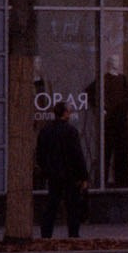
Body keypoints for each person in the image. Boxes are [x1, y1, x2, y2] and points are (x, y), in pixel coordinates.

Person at [36, 101, 91, 239]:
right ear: (65, 113)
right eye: (69, 111)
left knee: (52, 206)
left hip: (54, 175)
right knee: (72, 206)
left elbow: (40, 154)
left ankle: (46, 234)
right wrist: (84, 176)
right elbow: (77, 154)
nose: (70, 113)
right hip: (70, 175)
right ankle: (73, 234)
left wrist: (45, 170)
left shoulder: (46, 130)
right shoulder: (71, 131)